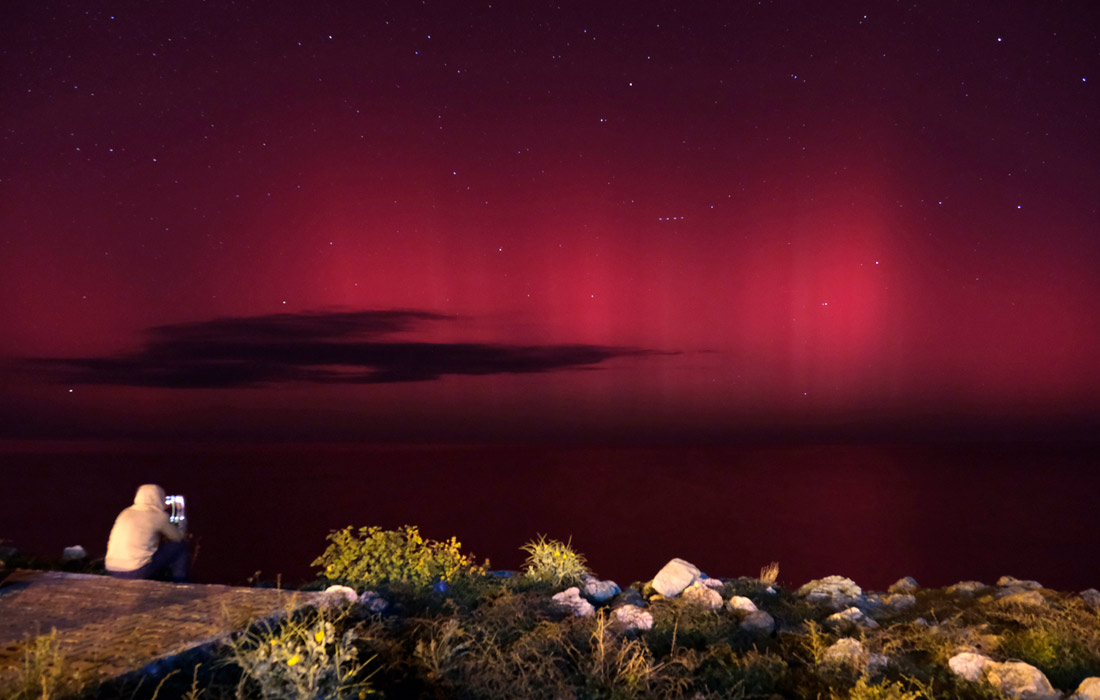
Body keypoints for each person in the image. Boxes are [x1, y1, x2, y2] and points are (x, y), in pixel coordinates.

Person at [105, 484, 189, 582]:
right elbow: (178, 536)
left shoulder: (125, 512)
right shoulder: (159, 516)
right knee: (180, 545)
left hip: (112, 569)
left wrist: (161, 508)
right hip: (135, 571)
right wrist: (180, 511)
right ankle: (180, 583)